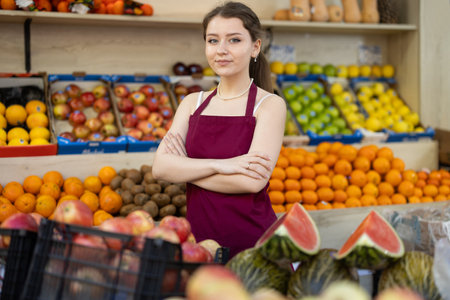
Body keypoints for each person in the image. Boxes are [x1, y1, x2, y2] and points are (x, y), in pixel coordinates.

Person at [152, 1, 286, 257]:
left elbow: (251, 181)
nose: (221, 50)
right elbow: (160, 168)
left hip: (251, 243)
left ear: (255, 46)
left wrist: (184, 169)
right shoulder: (192, 103)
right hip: (196, 241)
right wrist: (222, 165)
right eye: (213, 41)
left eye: (234, 40)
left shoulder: (270, 105)